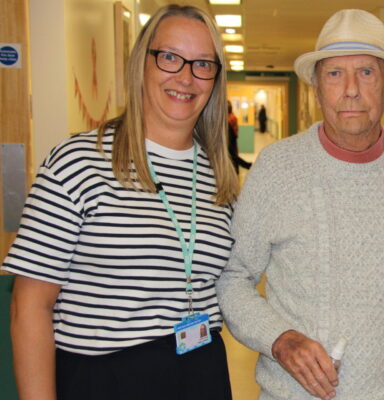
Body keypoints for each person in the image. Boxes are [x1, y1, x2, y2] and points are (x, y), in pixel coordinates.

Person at [216, 9, 384, 400]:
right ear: (316, 88)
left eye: (366, 72)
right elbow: (233, 279)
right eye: (334, 74)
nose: (350, 89)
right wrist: (279, 339)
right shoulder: (277, 168)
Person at [3, 5, 238, 400]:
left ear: (215, 79)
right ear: (141, 64)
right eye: (169, 58)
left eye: (202, 64)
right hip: (106, 378)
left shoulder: (221, 178)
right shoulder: (78, 163)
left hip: (200, 372)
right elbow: (30, 306)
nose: (186, 76)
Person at [227, 100, 252, 173]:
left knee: (233, 156)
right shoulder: (232, 116)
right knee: (233, 155)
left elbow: (232, 130)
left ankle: (247, 165)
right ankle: (246, 166)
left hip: (230, 139)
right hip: (232, 138)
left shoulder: (230, 118)